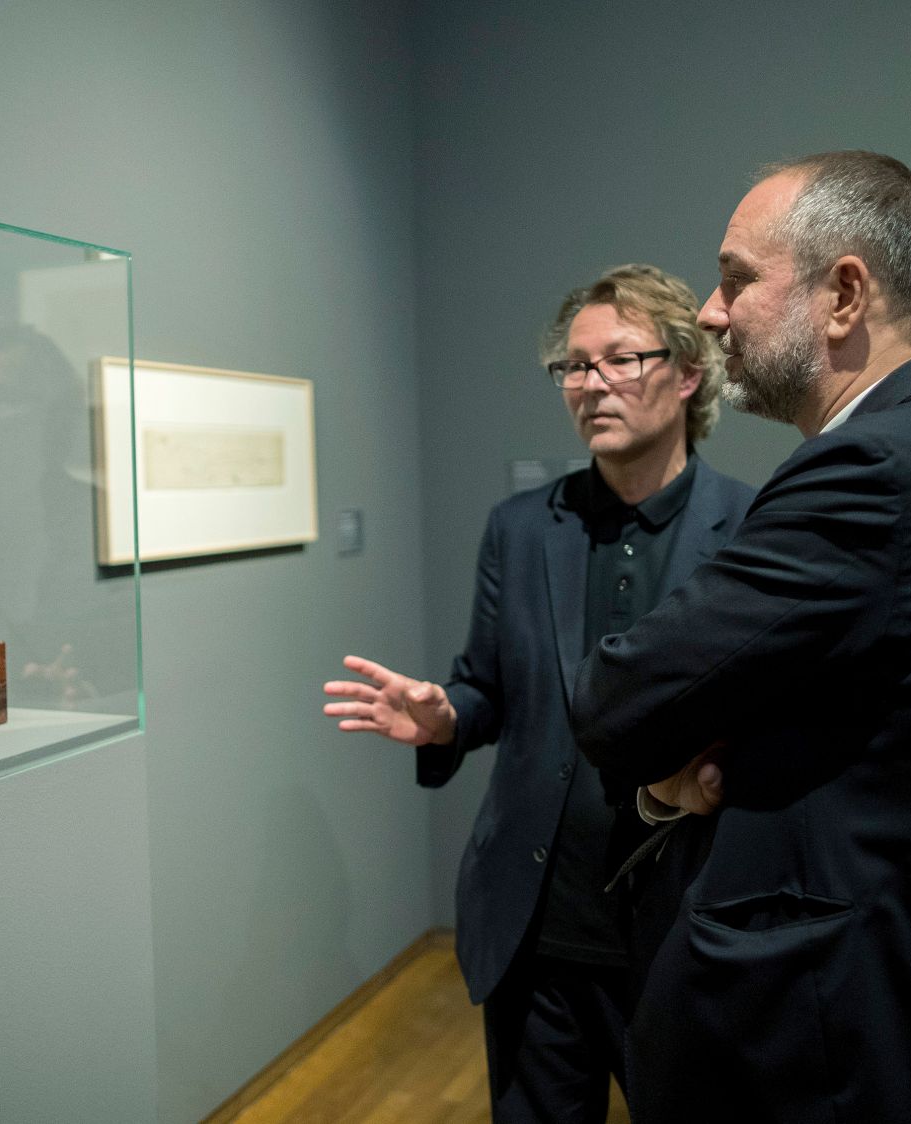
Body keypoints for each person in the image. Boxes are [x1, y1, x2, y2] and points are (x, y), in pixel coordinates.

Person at [568, 152, 911, 1123]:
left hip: (828, 1021)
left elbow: (616, 698)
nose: (709, 311)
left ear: (841, 294)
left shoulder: (867, 467)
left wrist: (670, 778)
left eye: (737, 278)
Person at [323, 265, 755, 1123]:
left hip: (682, 930)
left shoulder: (750, 529)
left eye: (619, 360)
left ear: (690, 372)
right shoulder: (521, 528)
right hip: (537, 929)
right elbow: (485, 688)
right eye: (573, 366)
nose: (589, 385)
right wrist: (444, 717)